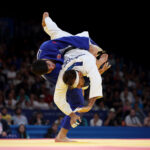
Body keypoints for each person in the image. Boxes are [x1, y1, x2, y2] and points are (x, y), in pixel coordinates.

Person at [31, 12, 109, 142]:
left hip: (66, 46)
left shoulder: (47, 47)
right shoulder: (55, 75)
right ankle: (61, 136)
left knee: (53, 29)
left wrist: (90, 49)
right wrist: (95, 72)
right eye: (49, 69)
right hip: (69, 64)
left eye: (49, 65)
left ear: (45, 59)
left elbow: (71, 41)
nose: (51, 67)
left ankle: (45, 20)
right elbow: (76, 83)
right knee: (78, 102)